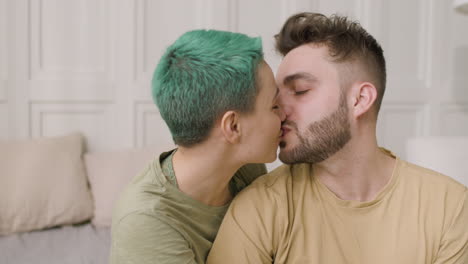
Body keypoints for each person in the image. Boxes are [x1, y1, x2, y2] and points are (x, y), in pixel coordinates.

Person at [207, 12, 468, 264]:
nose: (278, 111)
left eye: (299, 91)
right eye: (277, 96)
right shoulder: (260, 207)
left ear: (360, 100)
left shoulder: (451, 207)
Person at [109, 29, 284, 264]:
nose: (284, 114)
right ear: (232, 126)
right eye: (274, 106)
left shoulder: (246, 169)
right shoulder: (146, 220)